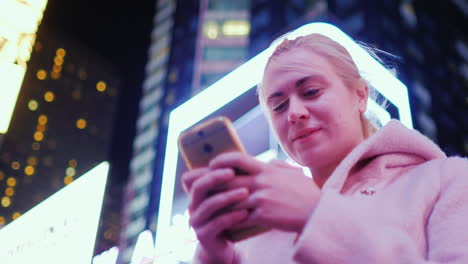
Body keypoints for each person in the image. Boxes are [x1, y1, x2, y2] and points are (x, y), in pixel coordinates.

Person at [181, 32, 468, 263]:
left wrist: (317, 215)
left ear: (360, 95)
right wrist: (216, 257)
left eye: (311, 92)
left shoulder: (448, 180)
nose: (294, 112)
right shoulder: (256, 231)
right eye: (279, 106)